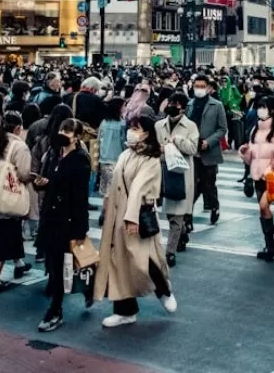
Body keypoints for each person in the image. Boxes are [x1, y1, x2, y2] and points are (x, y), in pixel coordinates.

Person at [95, 115, 176, 327]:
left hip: (137, 215)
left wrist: (131, 218)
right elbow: (115, 184)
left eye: (136, 128)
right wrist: (107, 206)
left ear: (147, 133)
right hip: (117, 215)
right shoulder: (125, 153)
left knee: (144, 260)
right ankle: (124, 310)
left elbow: (139, 189)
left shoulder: (151, 160)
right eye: (131, 127)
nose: (131, 131)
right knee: (118, 262)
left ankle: (163, 289)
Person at [35, 117, 91, 332]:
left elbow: (80, 196)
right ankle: (85, 289)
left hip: (67, 218)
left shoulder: (80, 159)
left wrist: (81, 228)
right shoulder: (54, 153)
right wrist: (43, 184)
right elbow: (51, 180)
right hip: (51, 215)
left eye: (68, 131)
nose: (63, 133)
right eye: (61, 129)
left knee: (61, 265)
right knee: (57, 263)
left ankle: (55, 310)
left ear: (77, 136)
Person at [0, 112, 34, 294]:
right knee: (6, 236)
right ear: (18, 128)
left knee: (10, 232)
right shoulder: (19, 147)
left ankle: (18, 262)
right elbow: (25, 173)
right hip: (11, 196)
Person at [239, 96, 274, 261]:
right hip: (257, 176)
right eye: (259, 106)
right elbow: (252, 156)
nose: (260, 110)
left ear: (273, 110)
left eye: (264, 107)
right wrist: (245, 152)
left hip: (272, 176)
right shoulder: (256, 129)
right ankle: (270, 244)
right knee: (263, 211)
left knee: (264, 206)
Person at [157, 93, 199, 267]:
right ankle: (183, 231)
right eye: (170, 102)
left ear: (182, 107)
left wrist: (178, 140)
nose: (172, 106)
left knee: (177, 215)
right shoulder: (159, 125)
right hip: (164, 170)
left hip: (182, 173)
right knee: (169, 212)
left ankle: (170, 252)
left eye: (176, 103)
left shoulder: (190, 126)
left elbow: (193, 148)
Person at [187, 73, 227, 225]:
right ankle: (187, 214)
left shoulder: (217, 105)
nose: (199, 89)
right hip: (192, 150)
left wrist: (209, 142)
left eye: (203, 86)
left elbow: (222, 129)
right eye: (197, 86)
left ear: (209, 88)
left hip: (208, 151)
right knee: (193, 185)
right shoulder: (190, 105)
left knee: (208, 183)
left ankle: (214, 206)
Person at [97, 99, 127, 198]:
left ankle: (104, 210)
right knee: (113, 189)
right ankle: (108, 211)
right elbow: (124, 142)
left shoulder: (104, 122)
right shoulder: (122, 124)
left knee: (105, 187)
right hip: (116, 158)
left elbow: (99, 139)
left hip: (103, 157)